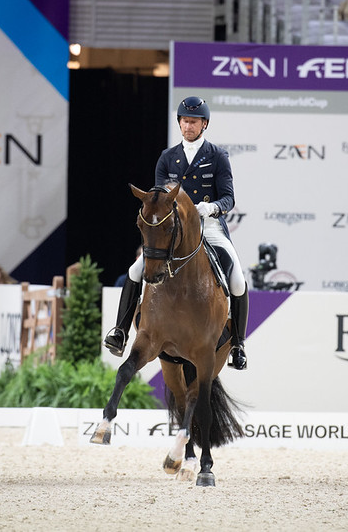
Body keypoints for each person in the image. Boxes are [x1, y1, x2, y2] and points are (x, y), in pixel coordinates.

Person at [104, 97, 249, 370]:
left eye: (193, 122)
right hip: (176, 231)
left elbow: (229, 198)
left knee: (239, 281)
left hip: (210, 227)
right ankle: (120, 332)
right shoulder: (168, 157)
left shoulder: (217, 156)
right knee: (136, 271)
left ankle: (238, 346)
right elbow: (158, 199)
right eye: (184, 121)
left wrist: (212, 207)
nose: (188, 126)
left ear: (204, 124)